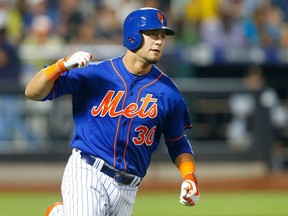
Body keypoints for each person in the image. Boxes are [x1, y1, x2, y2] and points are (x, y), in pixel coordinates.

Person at [25, 7, 200, 216]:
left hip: (129, 188)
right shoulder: (96, 73)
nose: (159, 41)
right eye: (152, 34)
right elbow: (33, 92)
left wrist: (189, 176)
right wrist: (60, 66)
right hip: (88, 171)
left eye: (162, 36)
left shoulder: (168, 92)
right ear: (133, 36)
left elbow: (178, 141)